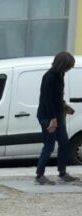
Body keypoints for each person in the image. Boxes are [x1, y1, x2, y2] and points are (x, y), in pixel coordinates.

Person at [36, 51, 77, 185]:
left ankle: (62, 172)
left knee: (64, 143)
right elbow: (47, 100)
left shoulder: (60, 75)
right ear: (62, 65)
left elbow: (57, 96)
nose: (69, 69)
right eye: (68, 66)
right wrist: (52, 119)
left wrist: (64, 105)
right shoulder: (50, 77)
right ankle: (39, 175)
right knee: (49, 146)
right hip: (47, 116)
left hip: (57, 115)